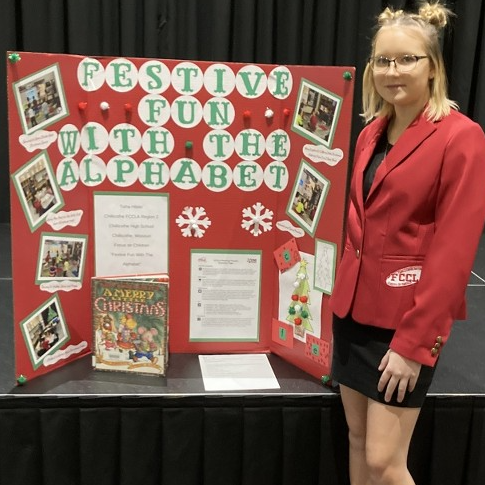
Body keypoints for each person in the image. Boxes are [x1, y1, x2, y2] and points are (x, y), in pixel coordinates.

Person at [328, 3, 485, 485]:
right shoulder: (371, 133)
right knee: (357, 442)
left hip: (402, 326)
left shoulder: (462, 138)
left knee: (384, 461)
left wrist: (415, 345)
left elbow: (453, 254)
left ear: (433, 66)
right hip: (352, 316)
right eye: (382, 61)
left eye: (406, 60)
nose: (391, 72)